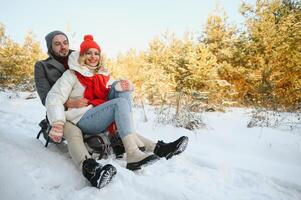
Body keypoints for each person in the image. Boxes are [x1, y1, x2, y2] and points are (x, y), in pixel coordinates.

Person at [45, 35, 189, 171]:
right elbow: (54, 97)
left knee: (121, 88)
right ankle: (132, 152)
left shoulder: (102, 74)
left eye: (96, 53)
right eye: (88, 53)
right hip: (81, 118)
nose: (93, 57)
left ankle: (158, 148)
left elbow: (113, 92)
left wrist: (123, 86)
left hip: (98, 113)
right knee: (119, 103)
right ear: (82, 55)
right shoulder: (71, 74)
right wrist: (58, 121)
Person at [34, 31, 116, 189]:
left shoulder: (80, 56)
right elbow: (47, 98)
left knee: (113, 111)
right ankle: (91, 170)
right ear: (50, 47)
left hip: (86, 108)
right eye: (57, 44)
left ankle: (152, 147)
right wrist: (70, 103)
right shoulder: (42, 66)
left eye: (65, 42)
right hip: (59, 111)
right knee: (73, 132)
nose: (63, 46)